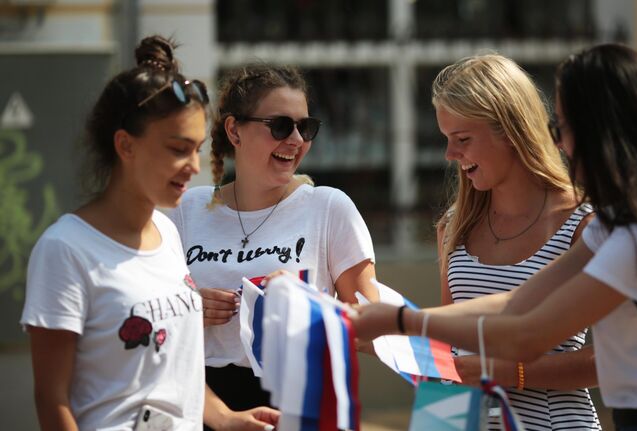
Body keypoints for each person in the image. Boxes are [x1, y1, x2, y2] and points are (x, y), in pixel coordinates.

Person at [351, 43, 637, 430]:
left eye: (563, 127)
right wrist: (398, 328)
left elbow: (528, 335)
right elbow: (514, 305)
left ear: (603, 134)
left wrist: (403, 321)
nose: (559, 142)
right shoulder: (621, 225)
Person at [20, 35, 279, 431]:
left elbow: (174, 371)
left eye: (197, 149)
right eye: (178, 148)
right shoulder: (65, 250)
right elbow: (52, 400)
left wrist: (227, 418)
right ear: (125, 145)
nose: (194, 166)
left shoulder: (167, 232)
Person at [166, 63, 378, 419]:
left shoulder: (328, 207)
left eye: (306, 127)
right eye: (280, 126)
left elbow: (374, 328)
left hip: (298, 399)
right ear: (234, 130)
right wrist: (187, 310)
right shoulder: (187, 209)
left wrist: (306, 309)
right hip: (202, 402)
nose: (295, 140)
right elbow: (151, 318)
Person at [432, 54, 600, 430]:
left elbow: (605, 360)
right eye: (447, 140)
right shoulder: (453, 226)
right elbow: (449, 354)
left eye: (462, 139)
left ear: (509, 130)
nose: (450, 155)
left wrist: (511, 372)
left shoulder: (585, 224)